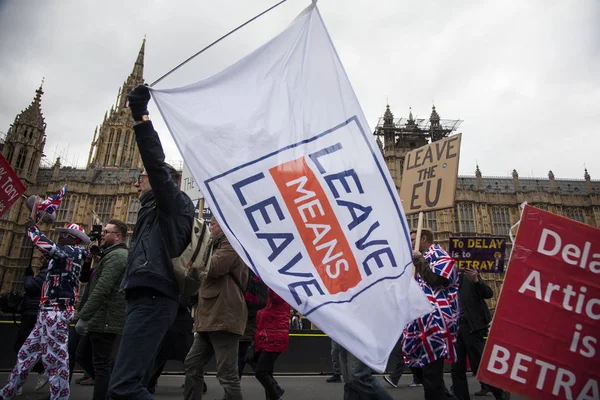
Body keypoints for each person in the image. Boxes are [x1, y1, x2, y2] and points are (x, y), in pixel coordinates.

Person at [108, 84, 195, 400]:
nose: (136, 182)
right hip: (145, 295)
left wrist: (140, 115)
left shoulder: (169, 201)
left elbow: (155, 163)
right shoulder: (155, 211)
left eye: (141, 177)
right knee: (134, 383)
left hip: (154, 296)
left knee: (124, 388)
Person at [0, 221, 89, 400]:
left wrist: (32, 229)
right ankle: (7, 392)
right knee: (25, 354)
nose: (61, 237)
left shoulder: (74, 252)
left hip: (56, 311)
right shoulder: (64, 255)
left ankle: (60, 397)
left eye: (64, 235)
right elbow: (46, 249)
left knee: (56, 360)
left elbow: (46, 245)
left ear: (74, 239)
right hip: (45, 311)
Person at [184, 216, 248, 400]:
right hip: (209, 316)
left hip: (223, 315)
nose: (210, 227)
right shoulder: (213, 245)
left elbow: (215, 267)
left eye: (213, 224)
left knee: (227, 374)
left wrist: (194, 254)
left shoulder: (232, 243)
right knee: (192, 364)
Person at [402, 229, 459, 400]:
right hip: (422, 323)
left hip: (438, 324)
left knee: (431, 373)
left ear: (423, 239)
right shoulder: (421, 262)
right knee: (422, 369)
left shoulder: (442, 258)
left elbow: (435, 281)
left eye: (413, 240)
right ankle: (443, 395)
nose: (410, 243)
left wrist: (420, 260)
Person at [75, 219, 129, 400]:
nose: (102, 235)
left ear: (118, 236)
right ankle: (110, 386)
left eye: (106, 232)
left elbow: (102, 288)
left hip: (105, 318)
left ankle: (108, 391)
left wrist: (83, 316)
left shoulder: (117, 256)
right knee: (82, 356)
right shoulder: (109, 255)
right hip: (98, 318)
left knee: (101, 365)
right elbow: (87, 280)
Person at [451, 268, 509, 400]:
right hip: (455, 328)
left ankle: (500, 393)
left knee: (479, 365)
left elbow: (488, 293)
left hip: (473, 327)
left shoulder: (469, 277)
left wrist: (477, 280)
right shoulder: (446, 281)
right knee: (457, 367)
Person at [13, 254, 49, 395]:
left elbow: (31, 286)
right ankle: (38, 370)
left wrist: (28, 276)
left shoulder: (48, 272)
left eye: (44, 257)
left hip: (35, 313)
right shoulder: (43, 271)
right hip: (30, 311)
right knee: (25, 347)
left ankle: (18, 383)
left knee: (22, 346)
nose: (40, 259)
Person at [252, 288, 289, 399]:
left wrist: (268, 277)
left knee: (261, 372)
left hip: (274, 339)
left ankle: (276, 392)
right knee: (267, 373)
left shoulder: (279, 295)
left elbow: (274, 292)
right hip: (268, 339)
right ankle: (273, 396)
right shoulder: (269, 302)